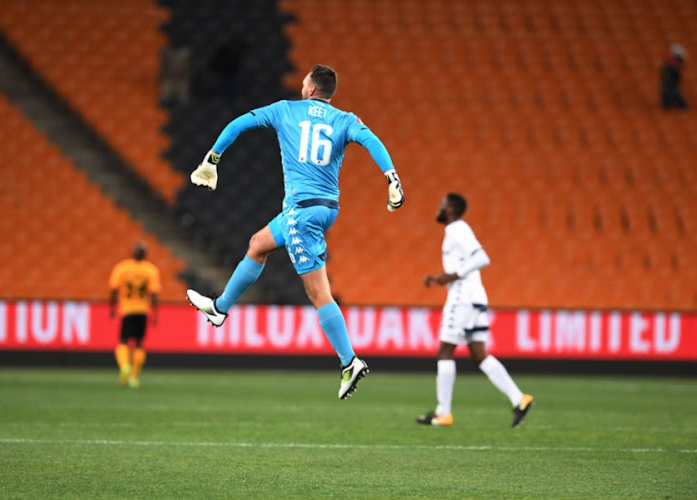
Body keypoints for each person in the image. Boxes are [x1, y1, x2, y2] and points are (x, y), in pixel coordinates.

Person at [187, 64, 405, 400]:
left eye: (304, 83)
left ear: (311, 89)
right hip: (320, 208)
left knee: (319, 294)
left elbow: (239, 123)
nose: (302, 87)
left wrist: (212, 159)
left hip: (302, 214)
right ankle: (219, 309)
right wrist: (391, 178)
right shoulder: (345, 119)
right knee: (258, 244)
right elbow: (371, 140)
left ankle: (350, 361)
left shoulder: (284, 109)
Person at [416, 193, 534, 428]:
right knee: (479, 355)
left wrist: (453, 275)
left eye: (441, 205)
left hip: (462, 298)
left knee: (445, 351)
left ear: (450, 209)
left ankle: (443, 412)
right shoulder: (458, 230)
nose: (437, 209)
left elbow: (482, 257)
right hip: (475, 297)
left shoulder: (456, 229)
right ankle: (519, 399)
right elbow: (466, 264)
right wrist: (442, 278)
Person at [109, 242, 161, 388]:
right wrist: (156, 313)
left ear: (132, 252)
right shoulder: (150, 270)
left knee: (123, 340)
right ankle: (133, 376)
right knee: (139, 343)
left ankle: (125, 367)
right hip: (142, 310)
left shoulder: (122, 268)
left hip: (127, 310)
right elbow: (154, 294)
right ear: (145, 254)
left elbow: (114, 290)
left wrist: (112, 308)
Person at [660, 44, 688, 110]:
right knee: (683, 107)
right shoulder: (668, 67)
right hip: (669, 89)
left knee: (682, 107)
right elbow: (668, 78)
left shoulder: (670, 66)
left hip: (670, 89)